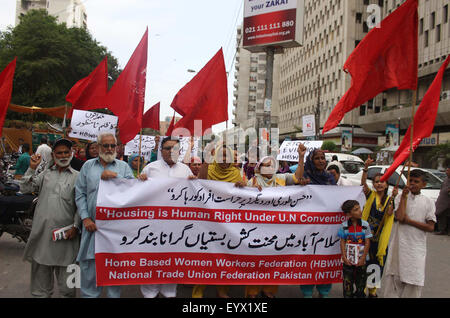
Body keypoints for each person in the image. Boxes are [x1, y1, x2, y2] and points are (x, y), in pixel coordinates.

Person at [75, 132, 134, 298]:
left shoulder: (124, 167)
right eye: (105, 145)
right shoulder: (88, 166)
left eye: (112, 146)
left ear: (117, 147)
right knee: (90, 275)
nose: (109, 149)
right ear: (98, 147)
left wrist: (116, 177)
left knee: (114, 276)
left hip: (115, 232)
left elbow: (133, 192)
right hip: (92, 228)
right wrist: (85, 218)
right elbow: (80, 194)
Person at [244, 144, 307, 299]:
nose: (270, 167)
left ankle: (269, 290)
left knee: (274, 259)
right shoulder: (251, 182)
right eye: (267, 165)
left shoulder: (281, 178)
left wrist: (300, 157)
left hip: (277, 228)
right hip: (256, 228)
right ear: (259, 168)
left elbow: (298, 178)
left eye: (272, 164)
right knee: (256, 261)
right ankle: (252, 292)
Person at [20, 138, 80, 298]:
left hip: (68, 241)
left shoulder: (79, 177)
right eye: (59, 153)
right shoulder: (45, 174)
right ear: (53, 155)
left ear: (71, 153)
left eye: (66, 152)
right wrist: (31, 169)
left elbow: (82, 206)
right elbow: (25, 188)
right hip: (42, 240)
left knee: (69, 290)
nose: (63, 155)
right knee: (40, 292)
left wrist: (76, 226)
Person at [138, 136, 196, 298]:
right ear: (161, 151)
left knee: (172, 258)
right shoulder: (150, 168)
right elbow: (137, 193)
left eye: (175, 149)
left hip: (177, 225)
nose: (171, 152)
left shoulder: (185, 170)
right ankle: (149, 291)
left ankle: (169, 290)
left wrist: (194, 183)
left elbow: (194, 196)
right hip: (153, 224)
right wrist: (140, 181)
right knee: (151, 258)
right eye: (168, 148)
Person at [194, 143, 244, 298]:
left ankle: (222, 289)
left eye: (227, 156)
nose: (224, 159)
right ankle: (198, 291)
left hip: (228, 224)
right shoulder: (208, 169)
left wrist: (243, 186)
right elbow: (200, 183)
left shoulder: (236, 172)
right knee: (205, 258)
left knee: (226, 257)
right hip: (207, 221)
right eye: (221, 155)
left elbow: (243, 196)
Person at [381, 169, 436, 298]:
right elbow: (400, 217)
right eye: (410, 180)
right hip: (400, 244)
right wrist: (404, 197)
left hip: (416, 246)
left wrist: (410, 221)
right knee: (394, 276)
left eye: (416, 182)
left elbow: (430, 226)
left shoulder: (428, 202)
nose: (412, 184)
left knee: (413, 279)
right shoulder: (401, 197)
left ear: (424, 184)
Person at [299, 148, 336, 298]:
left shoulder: (330, 178)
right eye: (317, 158)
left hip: (327, 227)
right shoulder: (304, 177)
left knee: (325, 259)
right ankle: (307, 292)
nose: (321, 161)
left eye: (323, 158)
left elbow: (337, 199)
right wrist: (301, 186)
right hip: (308, 227)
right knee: (308, 260)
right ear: (311, 161)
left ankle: (324, 291)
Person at [360, 158, 397, 297]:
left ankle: (372, 290)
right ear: (374, 184)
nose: (379, 184)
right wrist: (366, 168)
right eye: (376, 182)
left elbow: (389, 214)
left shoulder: (389, 200)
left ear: (387, 184)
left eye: (382, 181)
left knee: (376, 265)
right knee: (364, 263)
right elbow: (363, 184)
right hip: (366, 238)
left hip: (380, 240)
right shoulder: (370, 196)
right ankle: (362, 289)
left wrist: (393, 199)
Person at [338, 200, 372, 298]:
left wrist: (363, 258)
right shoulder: (344, 226)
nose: (360, 211)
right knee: (347, 288)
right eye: (356, 210)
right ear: (349, 214)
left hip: (361, 262)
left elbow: (367, 242)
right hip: (348, 262)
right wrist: (344, 257)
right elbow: (342, 241)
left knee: (361, 288)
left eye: (359, 208)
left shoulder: (365, 225)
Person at [434, 159, 450, 235]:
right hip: (443, 201)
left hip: (448, 203)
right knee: (441, 215)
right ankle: (442, 230)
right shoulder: (446, 180)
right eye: (446, 170)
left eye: (448, 171)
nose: (446, 172)